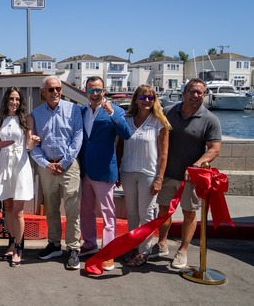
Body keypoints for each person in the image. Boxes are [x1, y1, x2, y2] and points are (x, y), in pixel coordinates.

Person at [156, 78, 222, 269]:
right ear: (184, 92)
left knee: (189, 213)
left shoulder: (210, 119)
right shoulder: (169, 112)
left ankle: (182, 251)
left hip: (191, 178)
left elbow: (215, 148)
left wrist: (197, 165)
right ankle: (161, 243)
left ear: (204, 95)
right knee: (163, 210)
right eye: (192, 91)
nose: (195, 96)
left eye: (199, 93)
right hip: (167, 174)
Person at [29, 76, 83, 270]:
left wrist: (64, 161)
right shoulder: (35, 114)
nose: (56, 93)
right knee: (51, 208)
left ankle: (73, 248)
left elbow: (78, 137)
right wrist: (46, 164)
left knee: (72, 210)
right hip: (47, 168)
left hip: (68, 167)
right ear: (43, 92)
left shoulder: (73, 110)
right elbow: (33, 144)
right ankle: (54, 244)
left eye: (58, 89)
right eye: (51, 89)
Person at [78, 76, 131, 271]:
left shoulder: (116, 111)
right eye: (91, 90)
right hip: (85, 169)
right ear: (86, 91)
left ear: (104, 90)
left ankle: (108, 251)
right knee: (86, 210)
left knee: (108, 213)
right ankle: (90, 243)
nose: (94, 94)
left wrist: (112, 114)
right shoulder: (82, 111)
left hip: (104, 169)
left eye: (98, 90)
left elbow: (126, 134)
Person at [117, 84, 170, 267]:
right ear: (136, 99)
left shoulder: (159, 122)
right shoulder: (127, 119)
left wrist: (159, 178)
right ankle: (133, 246)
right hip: (128, 172)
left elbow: (163, 154)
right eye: (142, 97)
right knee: (132, 214)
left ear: (155, 100)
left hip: (149, 173)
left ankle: (144, 250)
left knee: (146, 214)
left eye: (150, 98)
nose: (146, 101)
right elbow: (120, 146)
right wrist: (117, 169)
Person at [0, 87, 38, 267]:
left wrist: (33, 142)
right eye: (11, 99)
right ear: (6, 100)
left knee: (19, 210)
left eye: (17, 99)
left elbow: (28, 145)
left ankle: (19, 248)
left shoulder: (26, 119)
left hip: (20, 164)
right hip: (5, 164)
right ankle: (12, 242)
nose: (14, 102)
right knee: (8, 207)